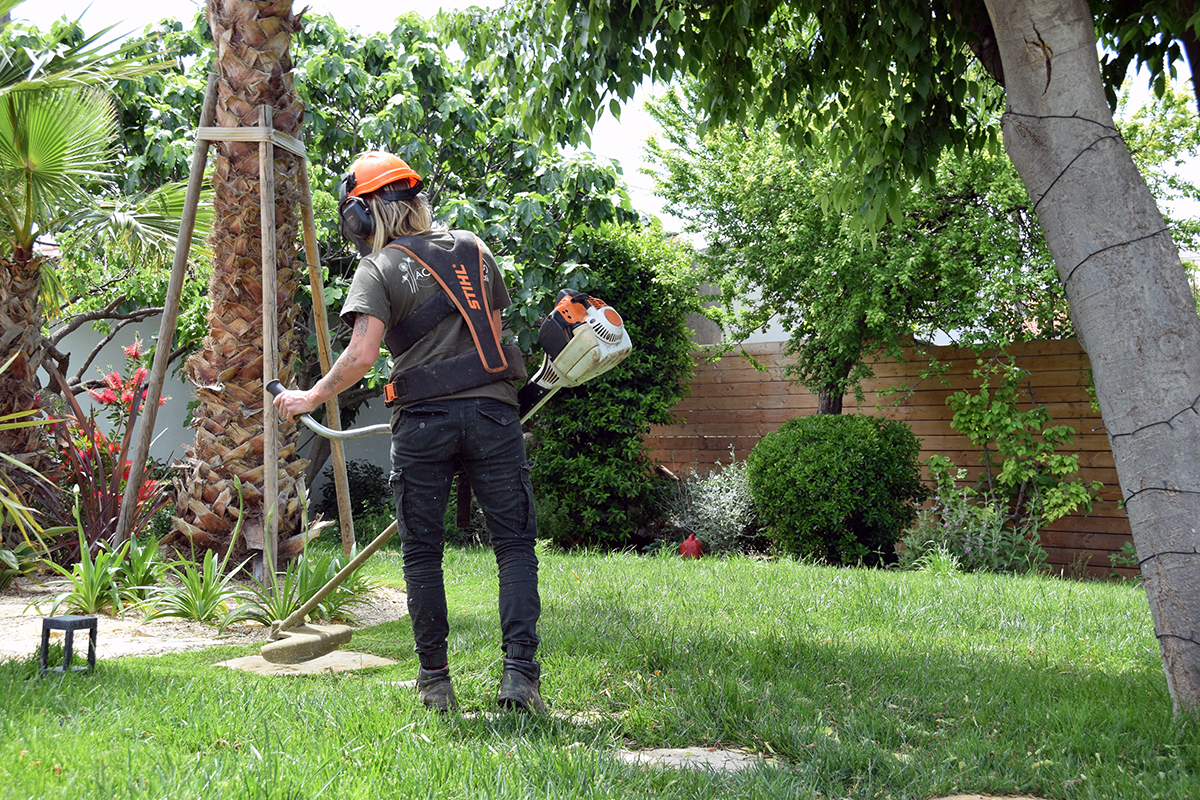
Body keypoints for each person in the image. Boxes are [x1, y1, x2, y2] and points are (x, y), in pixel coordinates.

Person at [273, 151, 543, 713]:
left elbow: (360, 356)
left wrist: (308, 398)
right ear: (416, 203)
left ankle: (436, 685)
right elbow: (491, 338)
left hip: (423, 422)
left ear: (362, 216)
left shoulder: (377, 269)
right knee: (514, 548)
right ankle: (520, 679)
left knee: (422, 554)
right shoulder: (474, 248)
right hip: (495, 414)